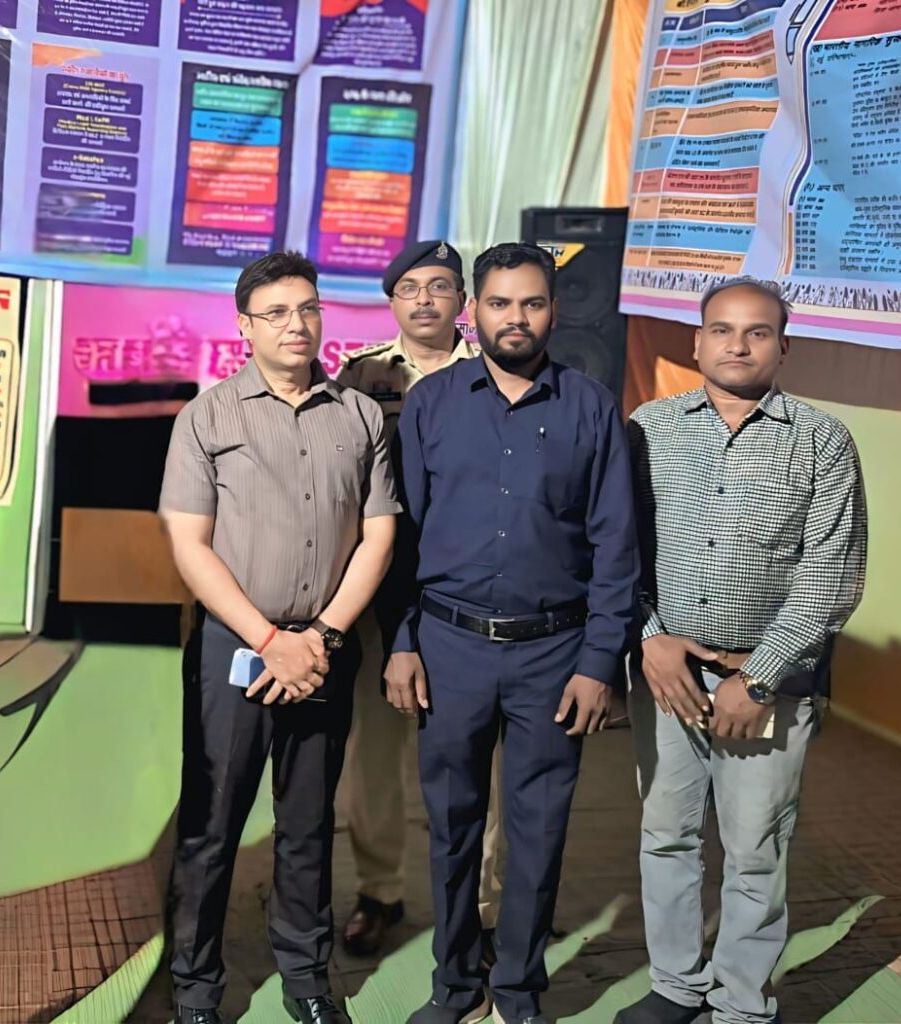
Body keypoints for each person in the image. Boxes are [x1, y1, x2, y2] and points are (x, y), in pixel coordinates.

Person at [387, 242, 639, 1024]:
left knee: (537, 830)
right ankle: (454, 987)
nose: (515, 318)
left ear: (554, 311)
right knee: (452, 827)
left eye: (531, 303)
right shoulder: (430, 405)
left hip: (554, 654)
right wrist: (402, 642)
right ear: (475, 311)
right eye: (499, 303)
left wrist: (599, 662)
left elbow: (616, 544)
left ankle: (519, 991)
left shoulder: (591, 407)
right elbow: (402, 537)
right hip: (447, 647)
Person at [616, 277, 867, 1024]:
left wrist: (757, 679)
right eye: (721, 330)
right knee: (666, 836)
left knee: (755, 848)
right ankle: (675, 986)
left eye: (757, 332)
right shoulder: (648, 428)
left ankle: (741, 1006)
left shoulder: (821, 440)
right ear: (695, 343)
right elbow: (616, 549)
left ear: (783, 347)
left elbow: (832, 575)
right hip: (666, 676)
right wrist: (650, 640)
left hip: (768, 684)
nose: (737, 344)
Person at [159, 250, 399, 1024]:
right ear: (244, 327)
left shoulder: (359, 416)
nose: (296, 325)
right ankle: (196, 990)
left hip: (324, 650)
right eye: (276, 313)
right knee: (212, 827)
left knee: (307, 824)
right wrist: (269, 638)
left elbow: (378, 535)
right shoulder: (208, 417)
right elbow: (189, 543)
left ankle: (306, 981)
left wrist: (320, 635)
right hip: (235, 648)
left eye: (307, 308)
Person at [336, 241, 503, 961]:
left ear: (462, 300)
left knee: (475, 757)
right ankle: (379, 891)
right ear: (392, 301)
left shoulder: (494, 371)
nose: (425, 299)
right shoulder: (361, 374)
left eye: (439, 286)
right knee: (375, 754)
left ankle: (483, 907)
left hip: (469, 589)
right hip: (381, 587)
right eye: (410, 288)